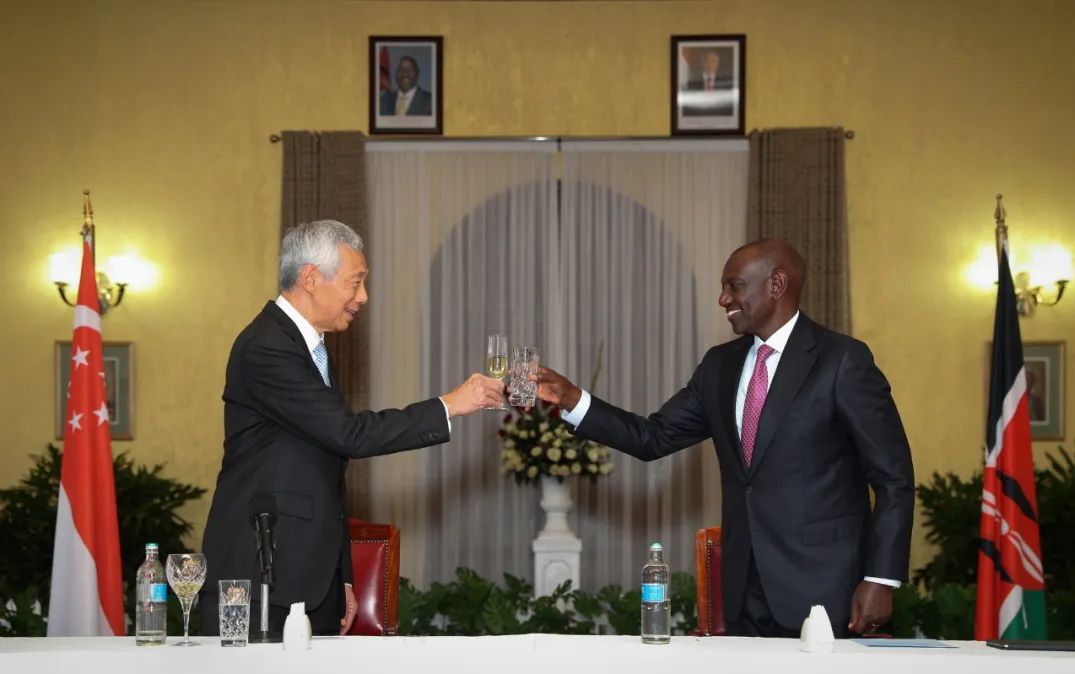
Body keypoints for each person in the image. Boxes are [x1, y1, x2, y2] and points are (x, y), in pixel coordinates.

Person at [533, 239, 914, 638]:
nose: (723, 298)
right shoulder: (719, 365)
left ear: (776, 284)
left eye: (734, 285)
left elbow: (894, 478)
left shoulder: (842, 360)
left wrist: (881, 578)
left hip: (825, 591)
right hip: (743, 594)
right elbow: (652, 437)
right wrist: (571, 398)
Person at [200, 220, 504, 636]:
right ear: (311, 278)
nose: (363, 297)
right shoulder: (267, 347)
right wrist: (450, 405)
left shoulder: (307, 347)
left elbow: (324, 470)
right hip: (261, 580)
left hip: (309, 579)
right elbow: (349, 434)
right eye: (355, 282)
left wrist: (340, 574)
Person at [682, 48, 734, 117]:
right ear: (701, 63)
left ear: (718, 63)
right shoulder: (691, 84)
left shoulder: (728, 84)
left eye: (713, 61)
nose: (710, 64)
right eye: (706, 61)